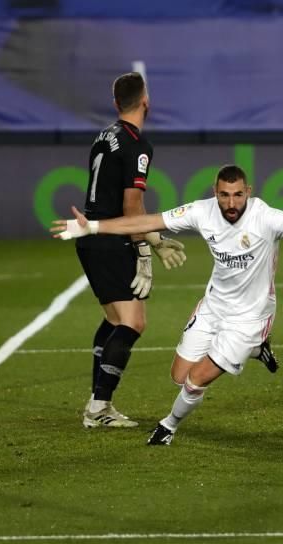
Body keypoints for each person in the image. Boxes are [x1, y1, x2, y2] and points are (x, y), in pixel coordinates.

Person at [53, 165, 283, 445]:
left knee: (195, 379)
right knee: (179, 375)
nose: (231, 203)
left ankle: (168, 426)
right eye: (224, 195)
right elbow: (148, 220)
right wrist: (92, 227)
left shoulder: (265, 217)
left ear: (248, 193)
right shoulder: (202, 212)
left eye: (238, 195)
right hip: (213, 307)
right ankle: (257, 349)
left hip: (249, 318)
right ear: (215, 193)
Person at [75, 72, 187, 429]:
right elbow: (132, 205)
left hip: (90, 236)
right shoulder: (137, 144)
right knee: (133, 323)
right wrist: (145, 251)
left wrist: (154, 240)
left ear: (115, 104)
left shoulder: (104, 136)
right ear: (145, 102)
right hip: (112, 238)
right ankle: (99, 406)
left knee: (113, 320)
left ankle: (98, 402)